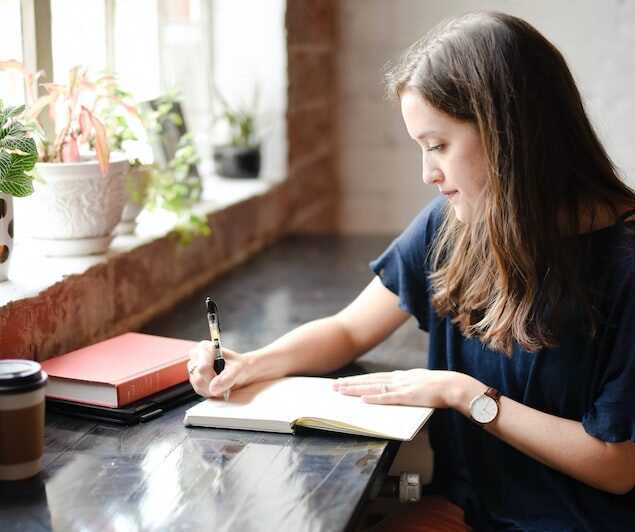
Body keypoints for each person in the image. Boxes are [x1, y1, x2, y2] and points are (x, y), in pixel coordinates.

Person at [188, 11, 635, 531]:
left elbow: (616, 466)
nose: (428, 173)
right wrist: (254, 364)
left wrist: (464, 394)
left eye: (439, 146)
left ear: (510, 133)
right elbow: (350, 328)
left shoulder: (624, 265)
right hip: (467, 511)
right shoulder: (453, 223)